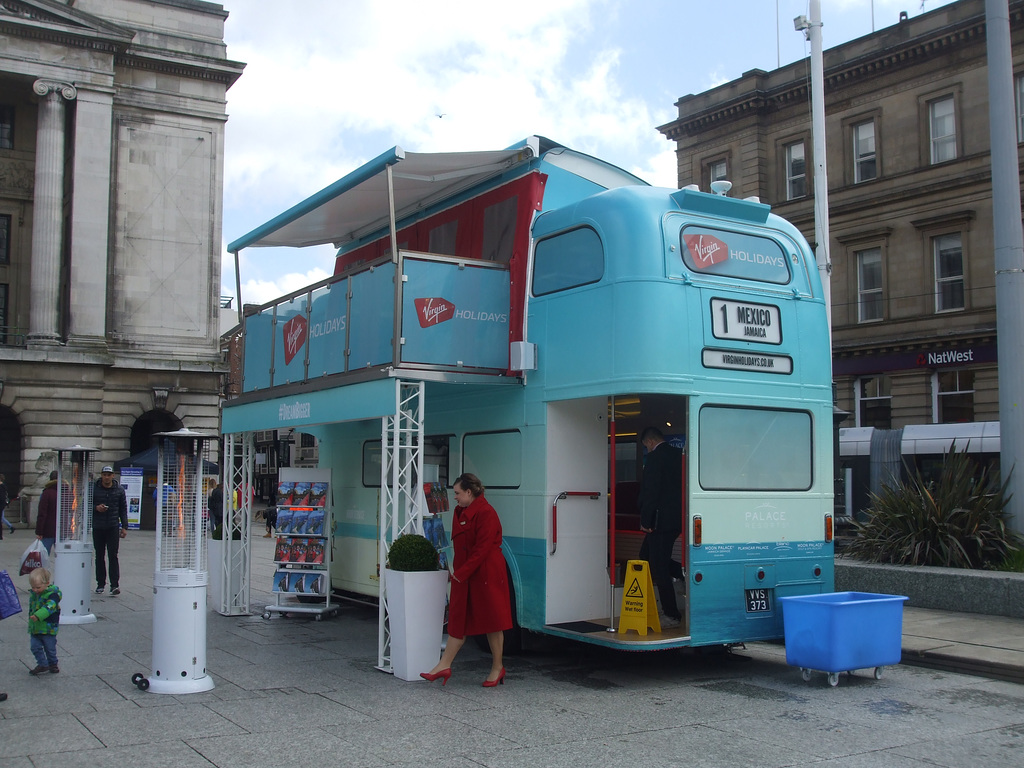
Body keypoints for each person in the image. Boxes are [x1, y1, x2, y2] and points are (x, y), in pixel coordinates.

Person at [421, 473, 512, 687]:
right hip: (467, 573)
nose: (455, 497)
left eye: (458, 493)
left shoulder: (487, 513)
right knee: (459, 619)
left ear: (469, 492)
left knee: (493, 622)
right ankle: (444, 665)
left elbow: (481, 550)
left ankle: (497, 667)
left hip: (484, 574)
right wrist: (459, 572)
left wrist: (460, 574)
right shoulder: (461, 510)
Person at [638, 426, 685, 628]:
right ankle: (682, 573)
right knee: (646, 555)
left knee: (658, 566)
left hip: (658, 522)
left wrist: (646, 521)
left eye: (646, 447)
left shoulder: (655, 459)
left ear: (649, 442)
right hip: (676, 519)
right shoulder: (679, 455)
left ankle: (672, 615)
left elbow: (651, 492)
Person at [93, 466, 128, 596]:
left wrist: (124, 526)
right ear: (101, 475)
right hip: (98, 526)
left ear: (113, 475)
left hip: (113, 526)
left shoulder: (119, 490)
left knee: (113, 555)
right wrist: (96, 508)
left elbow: (123, 508)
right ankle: (100, 583)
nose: (106, 477)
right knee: (99, 556)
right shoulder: (94, 488)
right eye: (104, 474)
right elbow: (86, 504)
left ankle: (114, 584)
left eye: (109, 474)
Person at [27, 567, 61, 675]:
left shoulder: (53, 594)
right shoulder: (35, 595)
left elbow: (50, 606)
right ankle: (43, 664)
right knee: (35, 646)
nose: (35, 590)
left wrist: (38, 615)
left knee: (49, 647)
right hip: (36, 626)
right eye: (33, 587)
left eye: (38, 587)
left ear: (47, 583)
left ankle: (53, 664)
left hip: (48, 626)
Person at [35, 471, 58, 554]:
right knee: (62, 556)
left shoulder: (47, 493)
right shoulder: (66, 492)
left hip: (48, 529)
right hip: (62, 530)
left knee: (44, 555)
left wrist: (39, 531)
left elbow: (42, 513)